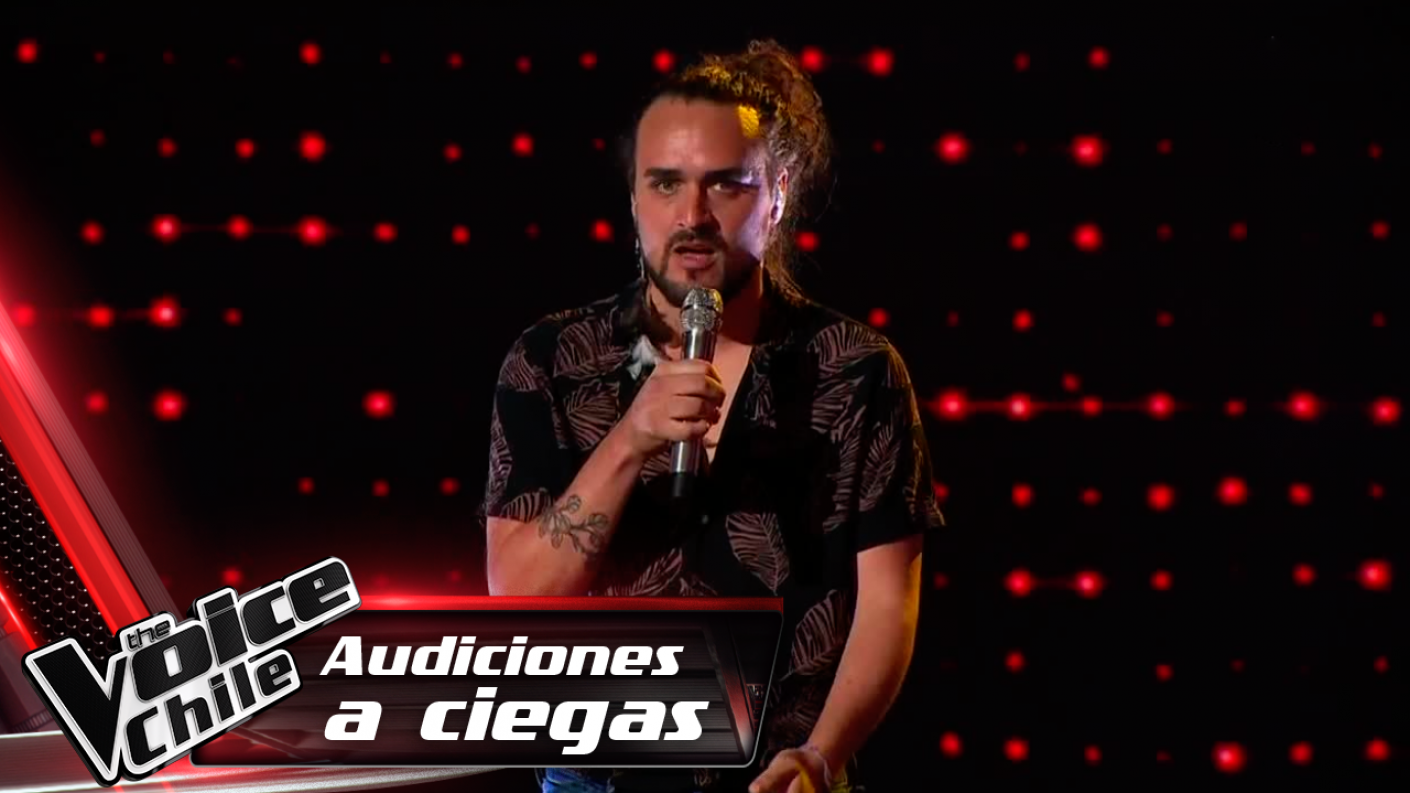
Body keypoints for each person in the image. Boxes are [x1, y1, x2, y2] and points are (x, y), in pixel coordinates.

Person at [479, 39, 944, 793]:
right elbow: (518, 598)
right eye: (666, 183)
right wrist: (630, 438)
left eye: (725, 184)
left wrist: (822, 755)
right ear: (634, 199)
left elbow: (887, 605)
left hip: (783, 774)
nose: (692, 216)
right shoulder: (551, 360)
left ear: (778, 194)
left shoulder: (856, 369)